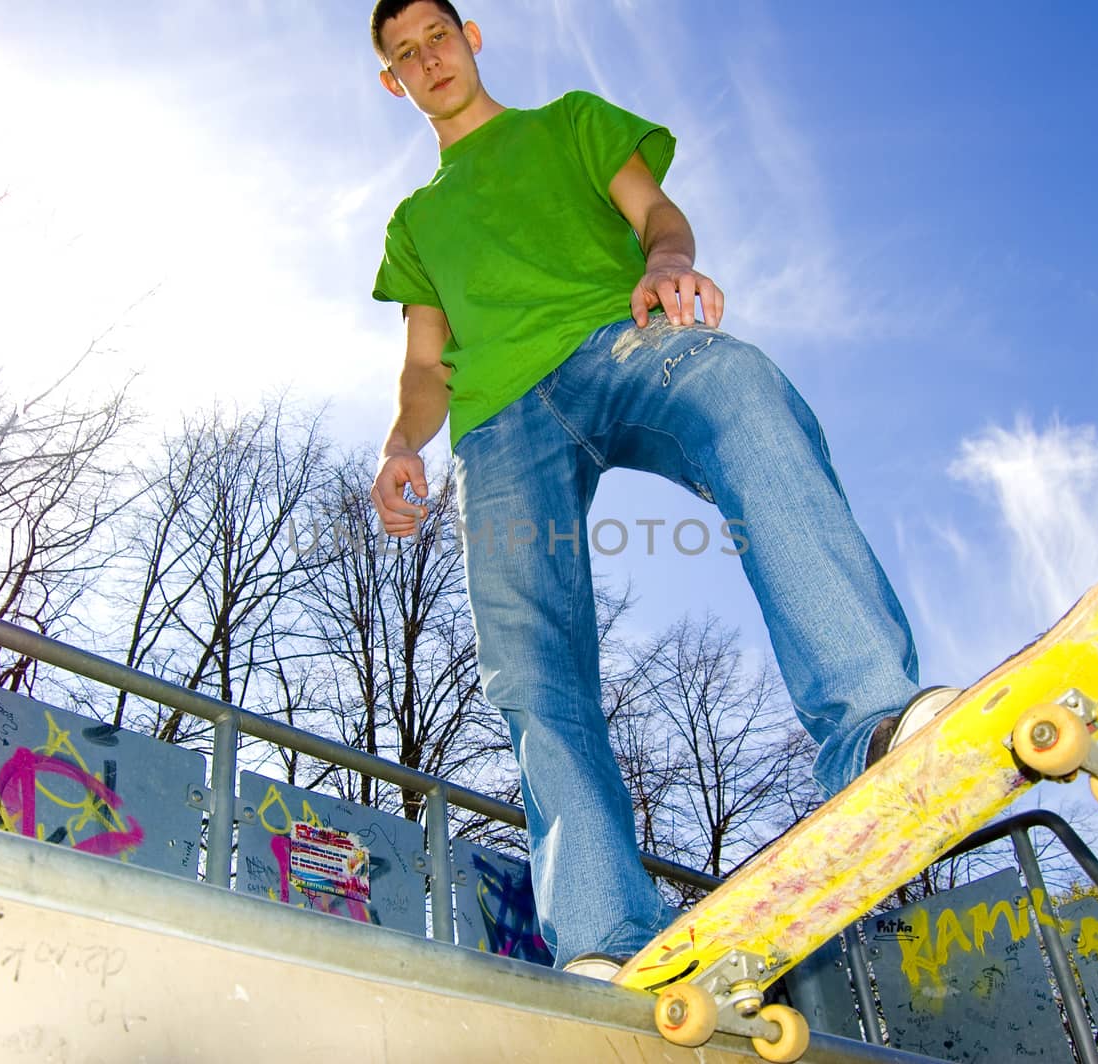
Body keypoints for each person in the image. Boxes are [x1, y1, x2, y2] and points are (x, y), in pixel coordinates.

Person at [366, 0, 952, 976]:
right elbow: (426, 361)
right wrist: (401, 440)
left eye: (437, 36)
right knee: (530, 658)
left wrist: (669, 262)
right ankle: (602, 931)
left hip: (618, 342)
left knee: (738, 385)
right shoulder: (415, 222)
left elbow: (655, 213)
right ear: (392, 80)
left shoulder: (570, 123)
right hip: (499, 425)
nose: (427, 59)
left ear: (472, 38)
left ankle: (873, 720)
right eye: (404, 54)